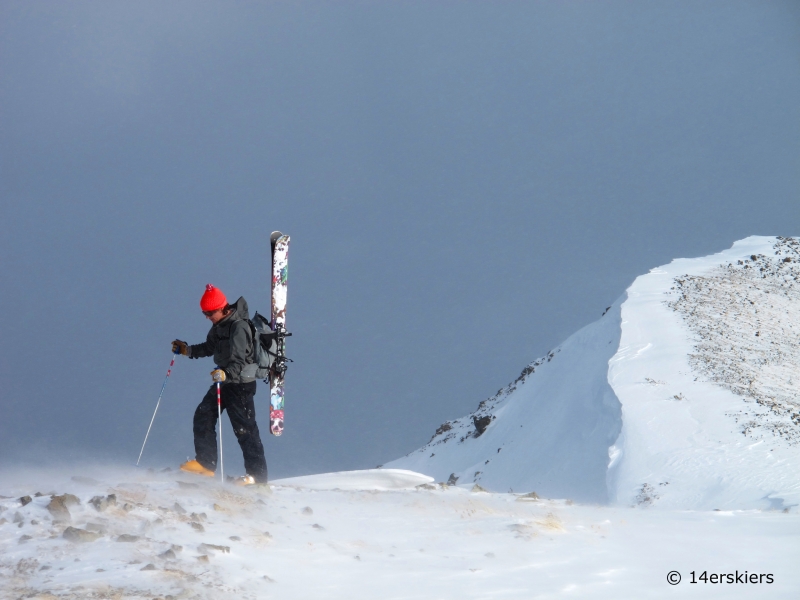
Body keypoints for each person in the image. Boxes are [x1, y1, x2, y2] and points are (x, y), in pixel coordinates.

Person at [172, 284, 268, 486]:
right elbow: (209, 347)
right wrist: (186, 351)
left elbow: (239, 361)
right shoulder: (219, 325)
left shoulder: (239, 327)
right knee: (204, 414)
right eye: (204, 313)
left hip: (240, 385)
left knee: (245, 430)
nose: (207, 316)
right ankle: (205, 465)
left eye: (209, 312)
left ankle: (257, 479)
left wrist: (225, 373)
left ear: (221, 308)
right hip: (224, 381)